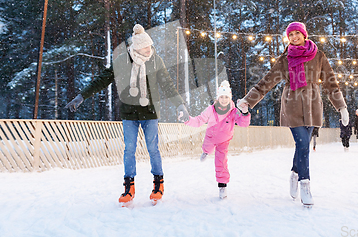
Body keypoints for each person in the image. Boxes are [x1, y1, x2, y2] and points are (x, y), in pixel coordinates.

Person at [65, 24, 190, 205]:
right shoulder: (122, 60)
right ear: (136, 48)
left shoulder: (156, 61)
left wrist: (180, 104)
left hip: (150, 112)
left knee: (153, 148)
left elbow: (168, 85)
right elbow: (102, 79)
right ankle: (128, 187)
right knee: (129, 149)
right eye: (146, 48)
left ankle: (158, 184)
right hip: (129, 113)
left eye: (150, 47)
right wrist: (81, 96)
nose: (149, 50)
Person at [237, 21, 349, 207]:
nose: (294, 37)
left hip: (313, 107)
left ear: (304, 34)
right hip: (292, 106)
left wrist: (341, 107)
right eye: (291, 35)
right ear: (288, 38)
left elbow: (331, 83)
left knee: (302, 147)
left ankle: (295, 173)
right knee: (303, 144)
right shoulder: (284, 60)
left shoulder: (319, 56)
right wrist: (248, 100)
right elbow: (266, 82)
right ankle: (305, 186)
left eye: (297, 33)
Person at [184, 81, 251, 199]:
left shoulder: (233, 111)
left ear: (229, 98)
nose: (224, 99)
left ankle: (222, 185)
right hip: (210, 137)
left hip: (224, 140)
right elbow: (199, 120)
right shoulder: (211, 109)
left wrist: (245, 113)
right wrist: (187, 119)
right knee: (207, 147)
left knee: (221, 161)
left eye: (226, 97)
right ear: (218, 98)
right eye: (221, 97)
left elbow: (243, 123)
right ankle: (205, 152)